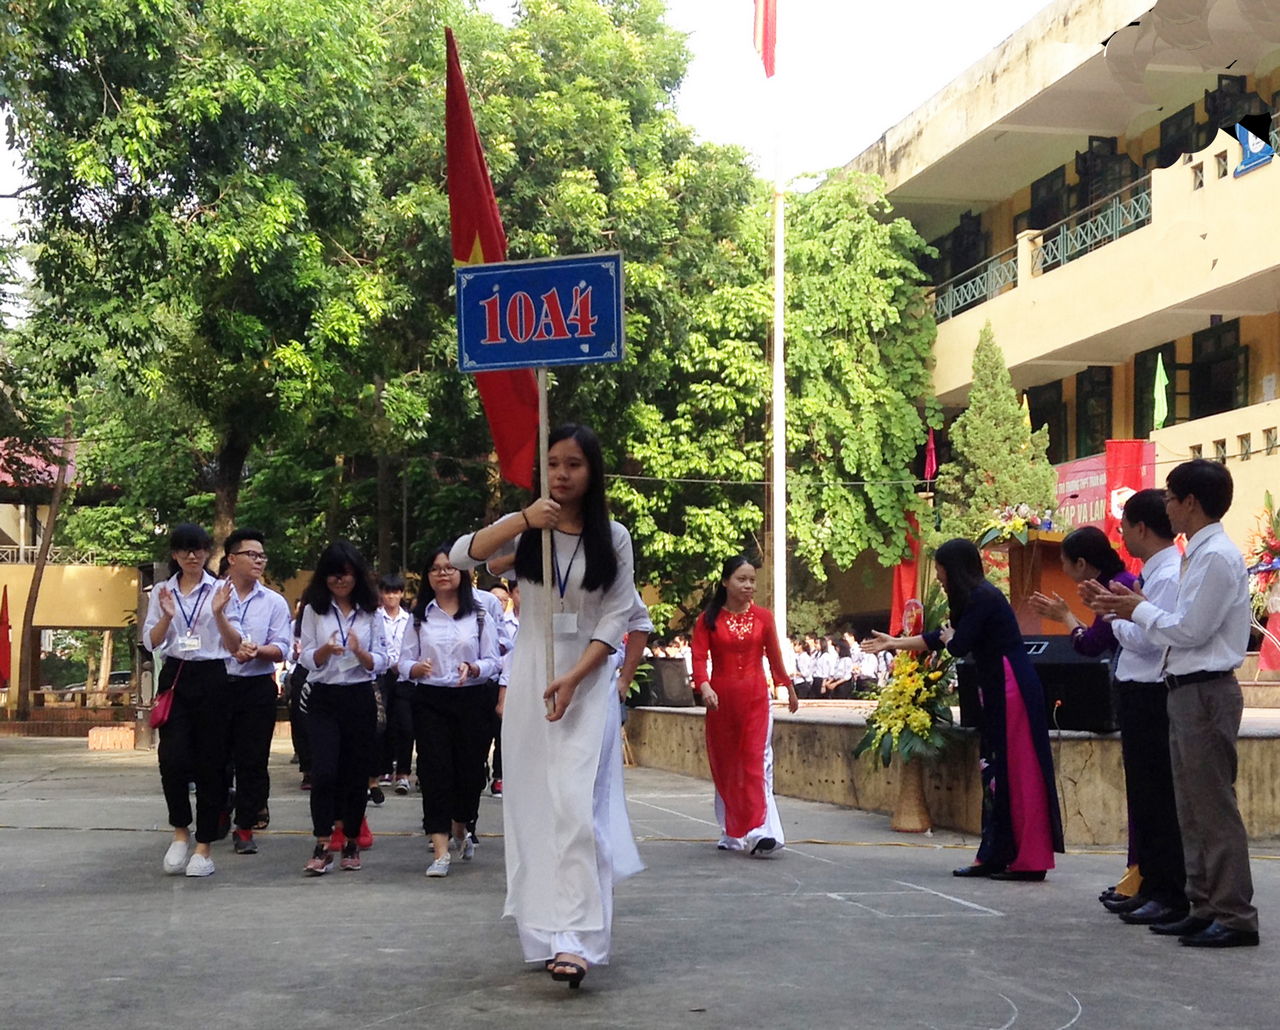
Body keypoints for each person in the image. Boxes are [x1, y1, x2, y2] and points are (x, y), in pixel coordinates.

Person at [450, 422, 640, 990]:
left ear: (594, 470)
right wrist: (522, 520)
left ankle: (581, 940)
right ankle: (547, 933)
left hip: (587, 680)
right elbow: (464, 556)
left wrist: (578, 677)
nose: (562, 474)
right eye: (553, 463)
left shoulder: (615, 536)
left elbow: (618, 615)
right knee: (534, 807)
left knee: (579, 809)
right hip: (531, 675)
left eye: (574, 464)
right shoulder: (530, 529)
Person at [1084, 459, 1258, 947]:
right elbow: (1180, 623)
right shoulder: (1197, 553)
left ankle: (1234, 913)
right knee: (1191, 808)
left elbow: (1190, 629)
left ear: (1191, 504)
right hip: (1185, 688)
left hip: (1206, 688)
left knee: (1213, 808)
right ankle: (1204, 904)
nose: (1165, 505)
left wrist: (1135, 608)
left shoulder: (1217, 556)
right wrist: (1131, 608)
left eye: (1170, 497)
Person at [865, 538, 1063, 881]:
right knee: (994, 772)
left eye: (940, 568)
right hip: (995, 685)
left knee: (1015, 770)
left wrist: (948, 638)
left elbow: (955, 644)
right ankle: (996, 853)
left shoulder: (985, 597)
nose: (938, 576)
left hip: (1010, 685)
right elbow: (939, 637)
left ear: (953, 568)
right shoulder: (973, 598)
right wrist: (893, 642)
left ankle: (1026, 858)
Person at [1028, 525, 1140, 901]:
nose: (1063, 569)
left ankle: (1143, 876)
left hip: (1143, 690)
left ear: (1081, 563)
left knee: (1147, 793)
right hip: (1133, 686)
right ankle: (1138, 873)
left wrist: (1065, 616)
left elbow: (1093, 644)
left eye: (1064, 562)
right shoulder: (1116, 581)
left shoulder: (1117, 586)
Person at [1100, 488, 1187, 926]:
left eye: (1124, 526)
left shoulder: (1169, 573)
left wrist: (1115, 617)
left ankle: (1167, 891)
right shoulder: (1156, 571)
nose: (1121, 535)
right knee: (1145, 797)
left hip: (1153, 692)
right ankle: (1151, 885)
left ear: (1140, 528)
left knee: (1158, 799)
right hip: (1138, 690)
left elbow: (1154, 639)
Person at [398, 544, 502, 879]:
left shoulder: (480, 613)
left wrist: (474, 668)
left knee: (470, 773)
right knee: (434, 771)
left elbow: (494, 661)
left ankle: (462, 825)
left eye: (449, 567)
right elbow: (403, 661)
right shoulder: (419, 616)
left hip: (472, 700)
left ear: (462, 573)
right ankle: (440, 850)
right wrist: (415, 668)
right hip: (431, 700)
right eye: (435, 568)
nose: (443, 573)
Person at [143, 523, 238, 878]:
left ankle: (204, 846)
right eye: (184, 550)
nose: (192, 556)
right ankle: (180, 831)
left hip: (212, 675)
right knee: (172, 758)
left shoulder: (221, 589)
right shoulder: (163, 591)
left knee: (211, 762)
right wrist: (167, 616)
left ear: (206, 552)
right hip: (177, 675)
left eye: (198, 549)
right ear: (174, 555)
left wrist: (219, 613)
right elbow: (151, 641)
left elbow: (234, 646)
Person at [692, 556, 798, 856]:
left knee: (755, 761)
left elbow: (774, 656)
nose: (749, 585)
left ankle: (759, 830)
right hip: (721, 702)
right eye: (742, 579)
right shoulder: (707, 620)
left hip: (755, 699)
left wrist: (787, 687)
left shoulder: (763, 617)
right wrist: (704, 686)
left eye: (752, 579)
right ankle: (732, 829)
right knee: (727, 765)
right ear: (725, 582)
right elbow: (699, 658)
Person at [296, 541, 388, 876]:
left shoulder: (371, 611)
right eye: (333, 575)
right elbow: (304, 656)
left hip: (358, 696)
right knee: (324, 771)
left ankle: (351, 839)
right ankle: (322, 842)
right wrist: (324, 650)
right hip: (324, 696)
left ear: (356, 576)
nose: (340, 581)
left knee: (355, 772)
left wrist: (360, 652)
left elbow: (383, 659)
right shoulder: (314, 609)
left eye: (346, 575)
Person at [219, 528, 292, 856]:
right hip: (217, 685)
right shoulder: (214, 596)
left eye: (262, 555)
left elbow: (282, 648)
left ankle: (245, 826)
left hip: (257, 687)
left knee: (252, 759)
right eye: (252, 554)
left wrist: (257, 651)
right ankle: (220, 808)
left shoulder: (274, 602)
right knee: (215, 757)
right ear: (232, 558)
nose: (259, 560)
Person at [373, 573, 411, 802]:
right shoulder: (374, 618)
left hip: (405, 675)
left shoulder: (410, 619)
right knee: (380, 723)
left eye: (396, 592)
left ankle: (404, 772)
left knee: (405, 725)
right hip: (380, 673)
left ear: (402, 594)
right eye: (387, 592)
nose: (391, 596)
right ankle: (382, 768)